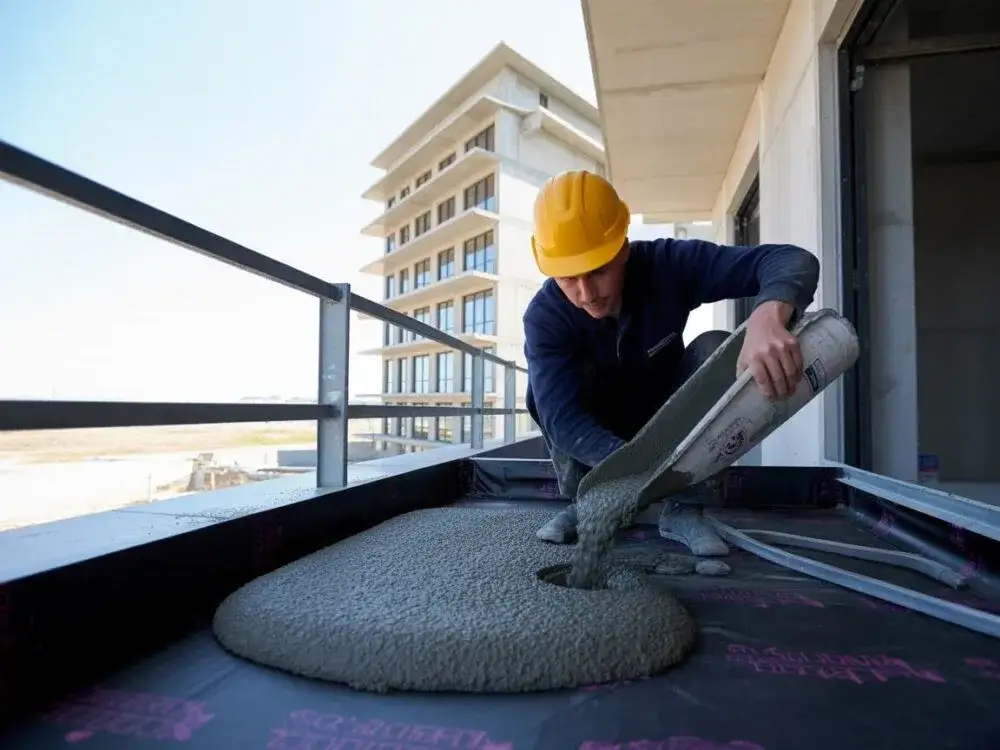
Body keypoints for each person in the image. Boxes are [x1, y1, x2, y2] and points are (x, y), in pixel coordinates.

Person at [522, 169, 820, 554]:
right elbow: (563, 420)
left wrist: (767, 316)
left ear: (623, 249)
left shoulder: (667, 266)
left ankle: (685, 508)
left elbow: (791, 260)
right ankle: (588, 502)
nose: (586, 294)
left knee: (714, 345)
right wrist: (632, 471)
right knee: (539, 393)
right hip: (594, 434)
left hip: (667, 416)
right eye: (567, 279)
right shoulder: (544, 318)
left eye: (598, 271)